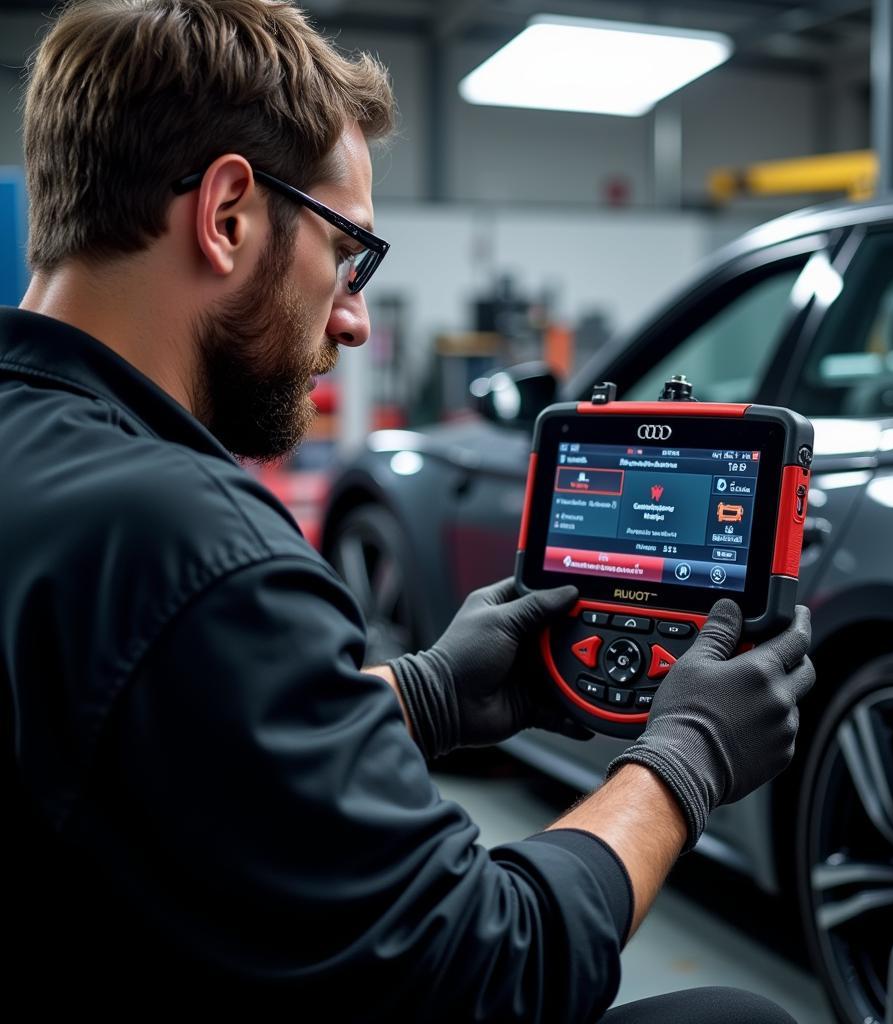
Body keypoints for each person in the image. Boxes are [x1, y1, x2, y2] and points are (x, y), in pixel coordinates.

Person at [0, 2, 815, 1020]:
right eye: (349, 256)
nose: (351, 316)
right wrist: (682, 763)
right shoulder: (195, 545)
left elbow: (152, 743)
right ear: (227, 216)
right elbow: (488, 972)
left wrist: (420, 693)